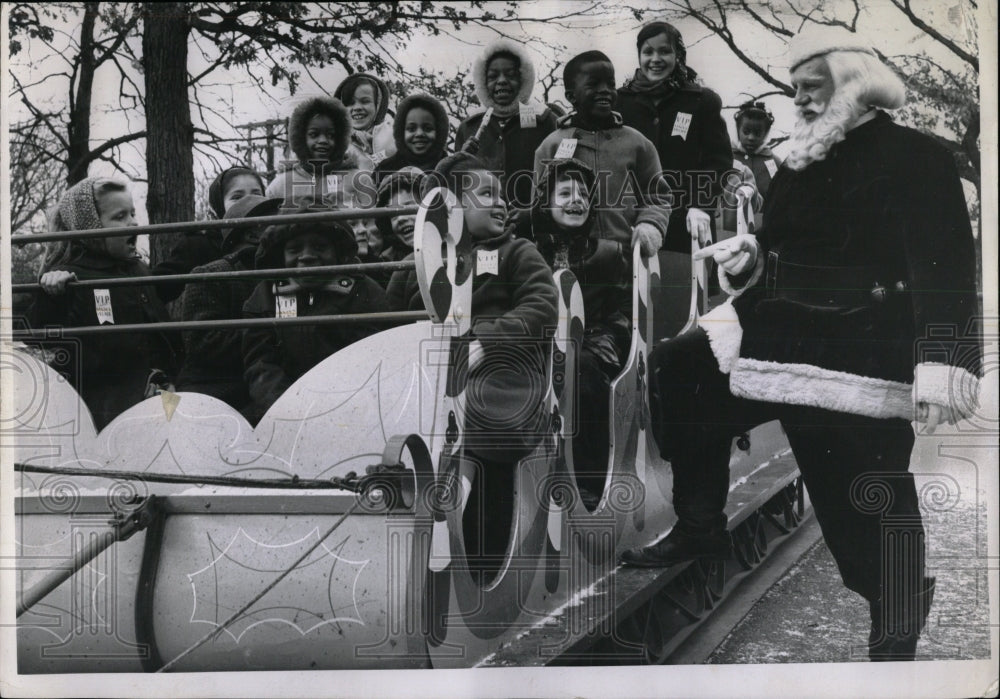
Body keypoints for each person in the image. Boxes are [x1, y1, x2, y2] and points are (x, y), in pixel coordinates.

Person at [619, 28, 982, 663]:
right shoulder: (799, 156)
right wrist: (751, 251)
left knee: (861, 490)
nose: (802, 99)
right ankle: (702, 525)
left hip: (863, 341)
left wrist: (943, 361)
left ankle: (896, 605)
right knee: (682, 371)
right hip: (778, 321)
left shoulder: (916, 155)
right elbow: (785, 241)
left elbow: (946, 263)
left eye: (813, 88)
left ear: (854, 86)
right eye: (797, 90)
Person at [395, 153, 558, 579]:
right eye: (486, 194)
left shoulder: (518, 251)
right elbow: (414, 312)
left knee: (490, 423)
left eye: (501, 194)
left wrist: (487, 339)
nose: (501, 203)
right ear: (451, 206)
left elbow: (542, 306)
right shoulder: (430, 260)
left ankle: (486, 557)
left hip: (503, 370)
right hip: (440, 369)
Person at [28, 177, 181, 431]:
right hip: (107, 406)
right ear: (91, 227)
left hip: (158, 389)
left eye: (132, 213)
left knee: (176, 434)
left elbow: (160, 331)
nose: (132, 222)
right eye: (119, 216)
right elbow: (38, 335)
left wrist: (170, 379)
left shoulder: (139, 269)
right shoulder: (73, 276)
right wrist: (52, 294)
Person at [532, 158, 630, 503]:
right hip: (540, 339)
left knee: (581, 372)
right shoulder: (530, 252)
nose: (576, 200)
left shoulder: (608, 253)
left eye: (583, 194)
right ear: (546, 202)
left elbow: (619, 313)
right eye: (565, 193)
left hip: (591, 341)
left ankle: (589, 480)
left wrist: (601, 339)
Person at [241, 202, 389, 423]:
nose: (307, 256)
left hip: (349, 406)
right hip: (283, 408)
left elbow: (373, 359)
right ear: (280, 254)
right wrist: (285, 406)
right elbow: (260, 363)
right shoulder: (265, 295)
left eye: (320, 247)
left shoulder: (362, 290)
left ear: (338, 252)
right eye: (294, 249)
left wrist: (333, 405)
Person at [534, 50, 671, 257]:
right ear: (571, 96)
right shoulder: (551, 146)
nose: (605, 90)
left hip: (626, 257)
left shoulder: (637, 143)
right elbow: (540, 205)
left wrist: (649, 225)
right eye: (593, 84)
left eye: (610, 84)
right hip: (570, 259)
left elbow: (657, 195)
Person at [616, 21, 733, 254]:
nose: (655, 59)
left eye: (665, 51)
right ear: (639, 56)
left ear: (678, 55)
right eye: (648, 52)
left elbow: (718, 162)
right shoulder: (620, 101)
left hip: (687, 221)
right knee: (633, 286)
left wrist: (701, 204)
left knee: (679, 286)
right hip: (632, 219)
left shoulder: (702, 101)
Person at [175, 194, 282, 415]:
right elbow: (202, 342)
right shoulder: (210, 275)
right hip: (217, 391)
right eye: (275, 222)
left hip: (263, 384)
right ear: (252, 232)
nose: (284, 227)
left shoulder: (283, 272)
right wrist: (269, 334)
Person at [455, 40, 559, 231]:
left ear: (524, 79)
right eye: (493, 76)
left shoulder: (545, 121)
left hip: (536, 231)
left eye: (510, 75)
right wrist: (460, 161)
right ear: (483, 82)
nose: (502, 81)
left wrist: (535, 212)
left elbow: (561, 177)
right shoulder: (469, 128)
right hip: (483, 233)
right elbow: (458, 188)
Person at [152, 165, 267, 303]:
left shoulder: (275, 239)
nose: (250, 202)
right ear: (219, 204)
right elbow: (156, 290)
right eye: (237, 197)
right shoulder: (199, 245)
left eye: (256, 194)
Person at [265, 96, 375, 209]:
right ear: (300, 137)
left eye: (330, 135)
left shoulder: (359, 180)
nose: (323, 140)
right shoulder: (281, 185)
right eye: (314, 134)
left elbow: (373, 223)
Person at [373, 93, 449, 183]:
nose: (419, 134)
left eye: (428, 128)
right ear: (400, 132)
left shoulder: (452, 170)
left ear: (440, 131)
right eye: (411, 129)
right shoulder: (384, 170)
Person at [373, 169, 421, 293]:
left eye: (408, 208)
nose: (400, 219)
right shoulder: (388, 261)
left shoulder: (450, 245)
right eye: (393, 214)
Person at [334, 72, 396, 166]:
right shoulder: (336, 144)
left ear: (378, 104)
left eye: (365, 101)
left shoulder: (397, 138)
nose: (357, 107)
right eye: (350, 103)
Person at [732, 100, 782, 201]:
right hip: (729, 215)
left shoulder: (774, 162)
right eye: (746, 132)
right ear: (738, 129)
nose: (751, 137)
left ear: (766, 133)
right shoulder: (727, 156)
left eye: (757, 133)